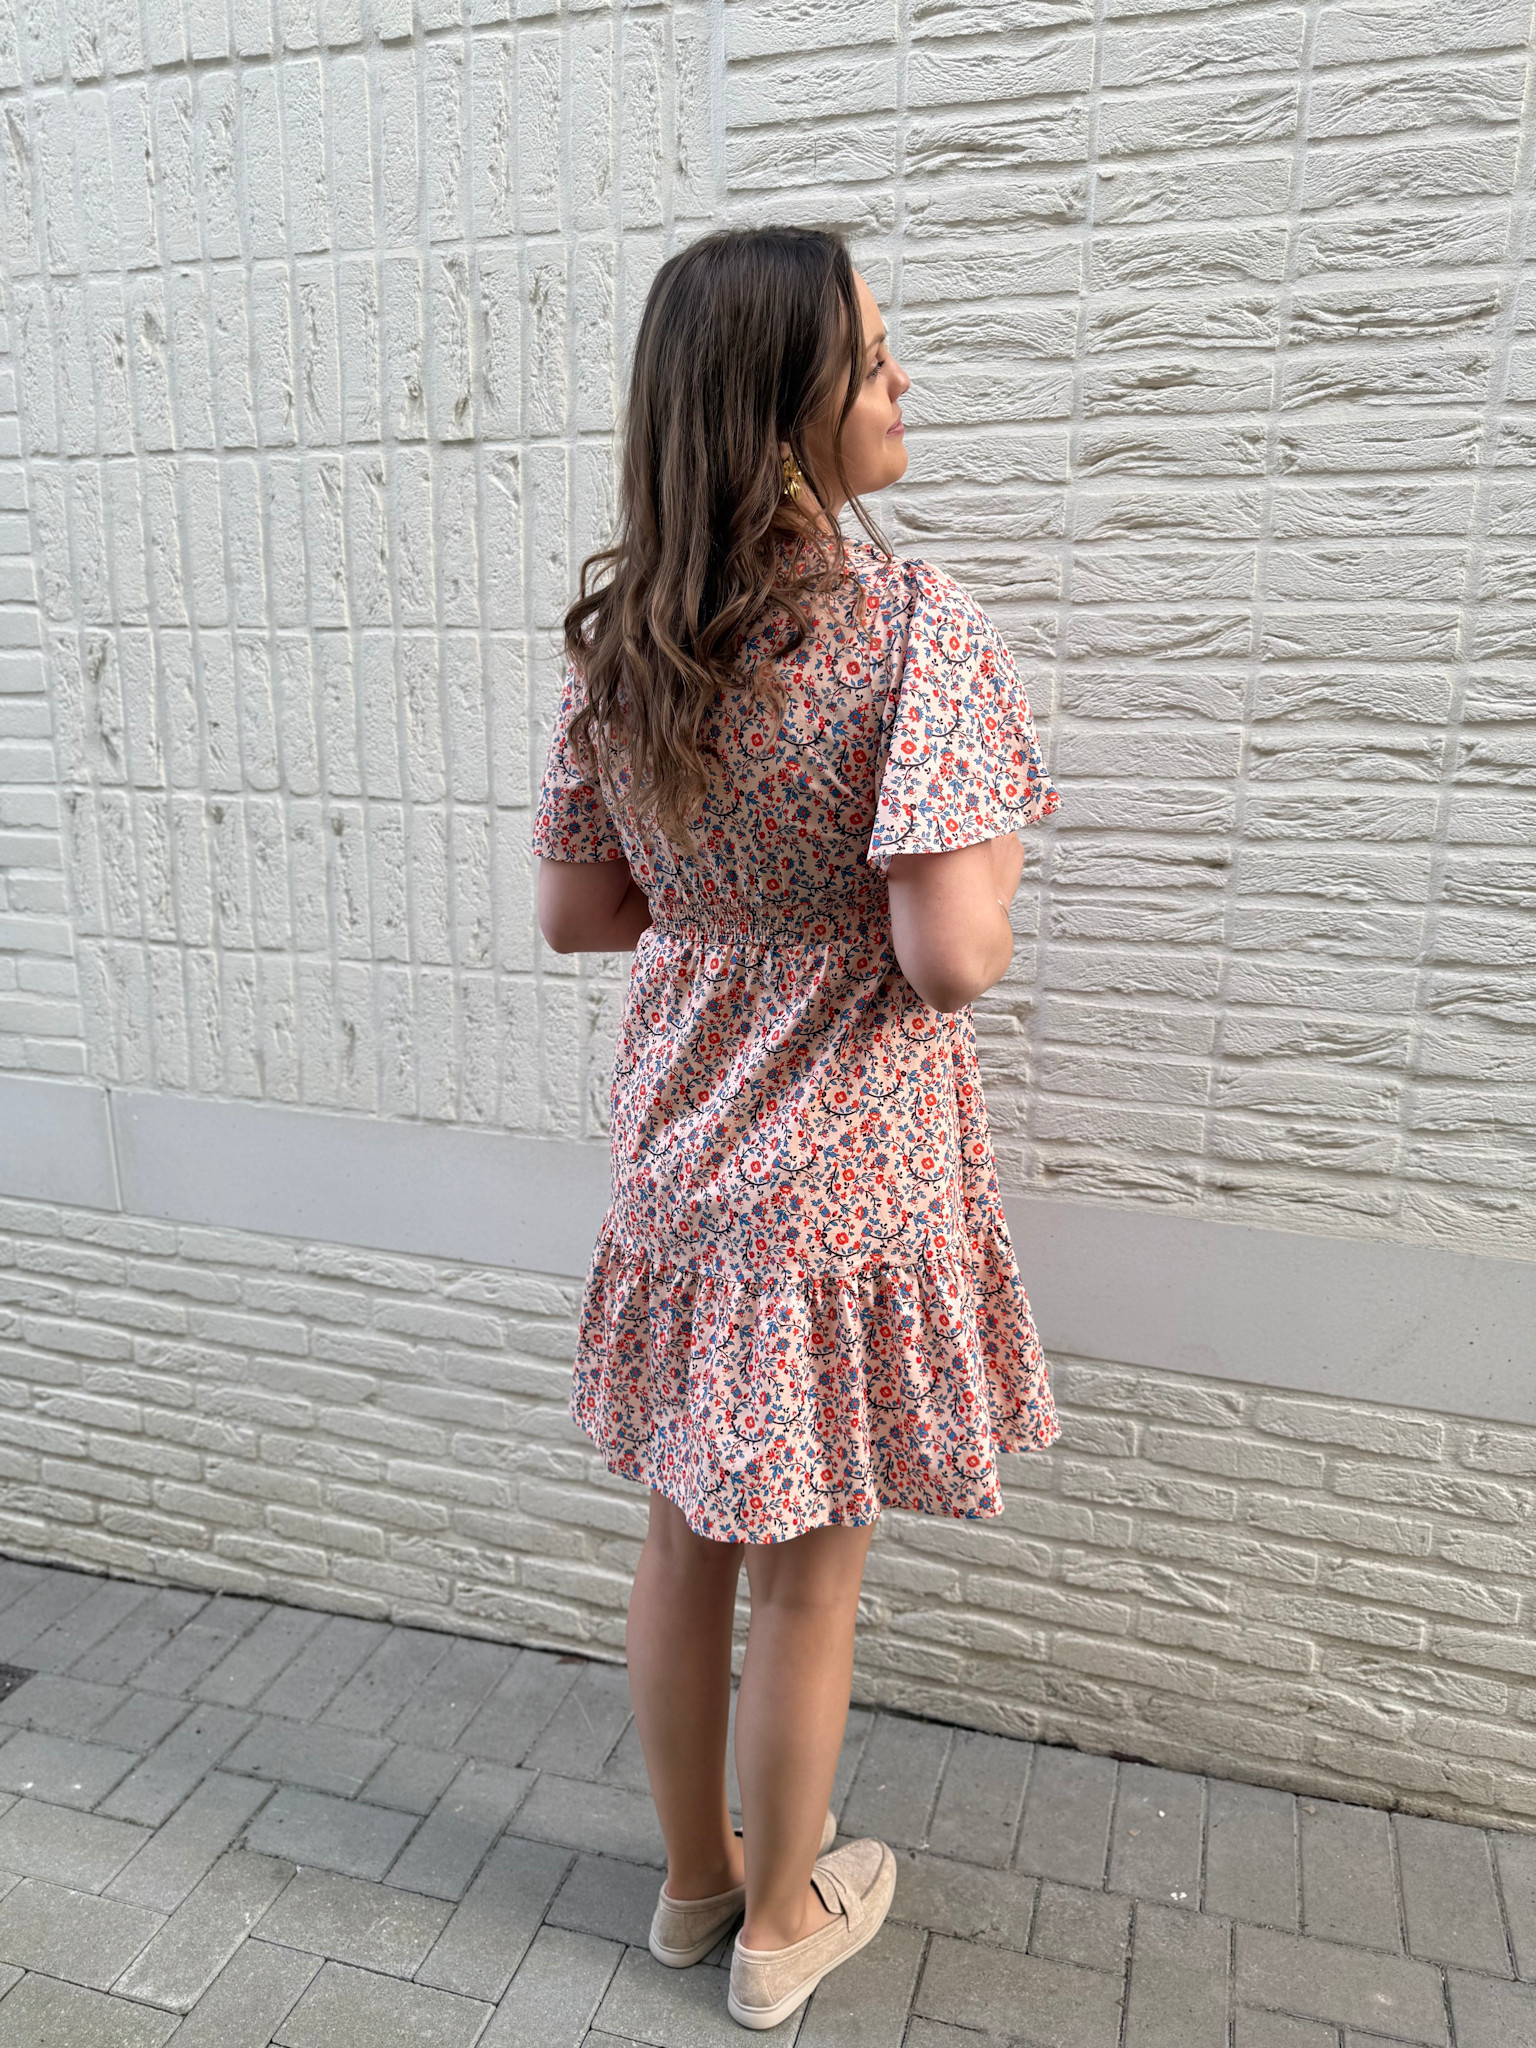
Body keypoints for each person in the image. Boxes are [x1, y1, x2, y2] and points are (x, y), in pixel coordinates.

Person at [531, 224, 1061, 2031]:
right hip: (842, 1180)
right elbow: (950, 954)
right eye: (872, 355)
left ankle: (695, 1884)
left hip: (683, 1166)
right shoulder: (913, 630)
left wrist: (726, 897)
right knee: (811, 1583)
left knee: (684, 1542)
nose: (902, 380)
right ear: (779, 408)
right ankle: (779, 1928)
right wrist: (978, 872)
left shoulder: (628, 651)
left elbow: (579, 913)